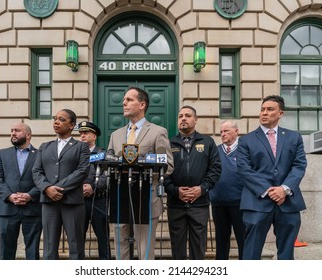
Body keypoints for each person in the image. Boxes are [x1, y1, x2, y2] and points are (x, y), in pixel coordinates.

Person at [237, 95, 307, 260]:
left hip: (288, 204)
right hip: (257, 203)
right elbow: (244, 169)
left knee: (286, 255)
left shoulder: (294, 137)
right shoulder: (246, 140)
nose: (264, 113)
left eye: (270, 109)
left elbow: (299, 165)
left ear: (280, 113)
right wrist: (268, 191)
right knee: (251, 254)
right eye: (262, 109)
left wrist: (284, 189)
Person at [108, 86, 174, 260]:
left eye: (129, 100)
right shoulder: (116, 135)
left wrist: (144, 167)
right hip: (120, 196)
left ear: (142, 104)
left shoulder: (158, 132)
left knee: (144, 248)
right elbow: (109, 162)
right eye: (124, 100)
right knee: (120, 245)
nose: (124, 103)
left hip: (146, 197)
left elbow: (168, 165)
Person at [165, 105, 221, 260]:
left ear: (195, 120)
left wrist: (202, 189)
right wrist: (175, 191)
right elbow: (163, 172)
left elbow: (215, 169)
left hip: (199, 204)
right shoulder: (169, 144)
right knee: (177, 248)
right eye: (180, 116)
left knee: (198, 247)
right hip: (176, 204)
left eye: (188, 115)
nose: (183, 118)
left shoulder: (208, 142)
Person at [32, 109, 90, 260]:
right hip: (49, 202)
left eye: (61, 119)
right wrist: (46, 188)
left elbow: (82, 171)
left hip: (72, 202)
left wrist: (58, 188)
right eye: (55, 119)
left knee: (76, 246)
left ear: (71, 125)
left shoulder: (81, 147)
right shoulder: (45, 146)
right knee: (49, 247)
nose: (56, 122)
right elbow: (36, 171)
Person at [0, 123, 42, 260]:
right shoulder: (3, 154)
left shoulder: (40, 155)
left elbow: (44, 180)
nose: (13, 133)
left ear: (28, 135)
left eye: (17, 131)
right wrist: (10, 196)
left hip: (33, 208)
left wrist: (30, 195)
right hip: (7, 208)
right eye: (11, 130)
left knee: (33, 250)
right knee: (6, 250)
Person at [209, 120, 245, 260]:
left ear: (236, 131)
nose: (223, 134)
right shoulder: (215, 151)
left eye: (226, 131)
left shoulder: (244, 149)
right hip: (218, 202)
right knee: (221, 240)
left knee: (243, 239)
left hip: (240, 202)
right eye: (221, 132)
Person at [78, 121, 111, 260]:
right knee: (78, 237)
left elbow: (107, 175)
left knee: (103, 237)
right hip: (79, 200)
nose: (83, 136)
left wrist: (93, 187)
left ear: (94, 136)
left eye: (86, 133)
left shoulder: (104, 153)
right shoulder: (76, 153)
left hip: (98, 200)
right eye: (81, 133)